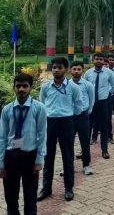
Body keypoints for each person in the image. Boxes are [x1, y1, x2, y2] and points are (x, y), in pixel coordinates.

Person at [0, 73, 47, 214]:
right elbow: (2, 137)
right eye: (18, 86)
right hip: (11, 158)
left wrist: (39, 160)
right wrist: (1, 163)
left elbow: (42, 135)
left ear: (31, 88)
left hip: (30, 157)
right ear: (14, 88)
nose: (21, 89)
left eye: (25, 86)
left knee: (30, 198)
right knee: (11, 197)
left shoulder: (39, 108)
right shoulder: (7, 109)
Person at [38, 57, 83, 202]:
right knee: (48, 156)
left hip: (66, 123)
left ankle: (69, 189)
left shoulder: (73, 88)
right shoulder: (45, 86)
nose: (56, 70)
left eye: (59, 67)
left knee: (68, 157)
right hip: (50, 123)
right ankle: (46, 188)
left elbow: (78, 106)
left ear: (66, 69)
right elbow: (42, 103)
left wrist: (68, 116)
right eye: (54, 67)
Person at [84, 53, 114, 159]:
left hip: (103, 103)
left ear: (103, 61)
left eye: (100, 59)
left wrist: (108, 94)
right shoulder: (88, 73)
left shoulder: (108, 72)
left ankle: (104, 150)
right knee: (87, 128)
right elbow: (84, 87)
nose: (98, 61)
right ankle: (84, 151)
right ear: (93, 60)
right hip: (91, 103)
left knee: (104, 127)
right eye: (96, 59)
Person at [70, 61, 95, 176]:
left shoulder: (88, 85)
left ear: (82, 71)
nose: (76, 71)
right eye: (74, 69)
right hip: (69, 117)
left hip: (83, 116)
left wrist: (87, 112)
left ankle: (86, 165)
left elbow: (91, 100)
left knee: (84, 141)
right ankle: (68, 166)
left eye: (79, 69)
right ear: (70, 70)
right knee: (68, 142)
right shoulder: (67, 85)